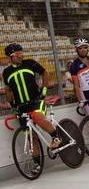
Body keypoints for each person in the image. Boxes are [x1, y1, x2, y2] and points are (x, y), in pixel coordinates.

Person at [2, 43, 61, 175]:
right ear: (10, 57)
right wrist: (12, 105)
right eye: (17, 54)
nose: (20, 55)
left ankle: (56, 137)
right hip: (21, 107)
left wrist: (44, 91)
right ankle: (37, 164)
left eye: (21, 53)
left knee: (37, 116)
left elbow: (45, 73)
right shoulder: (6, 72)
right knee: (30, 137)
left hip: (36, 101)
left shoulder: (30, 63)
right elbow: (8, 90)